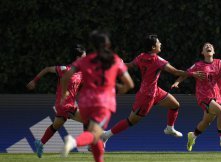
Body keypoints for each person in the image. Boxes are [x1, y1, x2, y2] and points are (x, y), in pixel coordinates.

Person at [101, 34, 187, 147]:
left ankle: (169, 128)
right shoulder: (158, 60)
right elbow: (175, 72)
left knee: (175, 105)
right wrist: (192, 74)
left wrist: (121, 64)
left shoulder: (141, 56)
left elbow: (130, 65)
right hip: (146, 96)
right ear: (153, 47)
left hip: (155, 90)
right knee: (131, 121)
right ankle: (105, 135)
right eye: (158, 43)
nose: (160, 44)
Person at [60, 30, 134, 162]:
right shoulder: (114, 60)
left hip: (85, 103)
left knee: (96, 135)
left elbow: (66, 77)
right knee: (94, 133)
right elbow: (129, 84)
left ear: (93, 46)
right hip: (103, 103)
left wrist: (64, 93)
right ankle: (73, 142)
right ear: (107, 44)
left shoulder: (85, 60)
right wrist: (119, 89)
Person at [171, 42, 221, 151]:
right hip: (203, 96)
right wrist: (177, 82)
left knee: (206, 122)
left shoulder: (219, 63)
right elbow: (185, 73)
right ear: (202, 52)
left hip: (216, 97)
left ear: (214, 51)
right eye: (205, 47)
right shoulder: (198, 65)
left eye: (210, 46)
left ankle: (193, 135)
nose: (208, 47)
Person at [26, 44, 86, 158]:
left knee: (56, 125)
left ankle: (40, 143)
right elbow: (47, 69)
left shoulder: (82, 74)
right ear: (78, 58)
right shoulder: (64, 69)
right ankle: (91, 144)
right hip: (64, 105)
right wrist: (34, 81)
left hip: (69, 104)